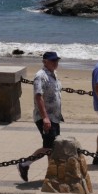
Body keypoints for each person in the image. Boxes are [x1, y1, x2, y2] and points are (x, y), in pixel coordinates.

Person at [18, 51, 64, 182]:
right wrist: (45, 118)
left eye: (57, 60)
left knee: (52, 147)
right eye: (52, 60)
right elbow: (38, 97)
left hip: (54, 117)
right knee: (50, 147)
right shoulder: (40, 76)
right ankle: (25, 164)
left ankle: (51, 174)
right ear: (45, 61)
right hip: (45, 117)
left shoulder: (54, 74)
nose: (55, 63)